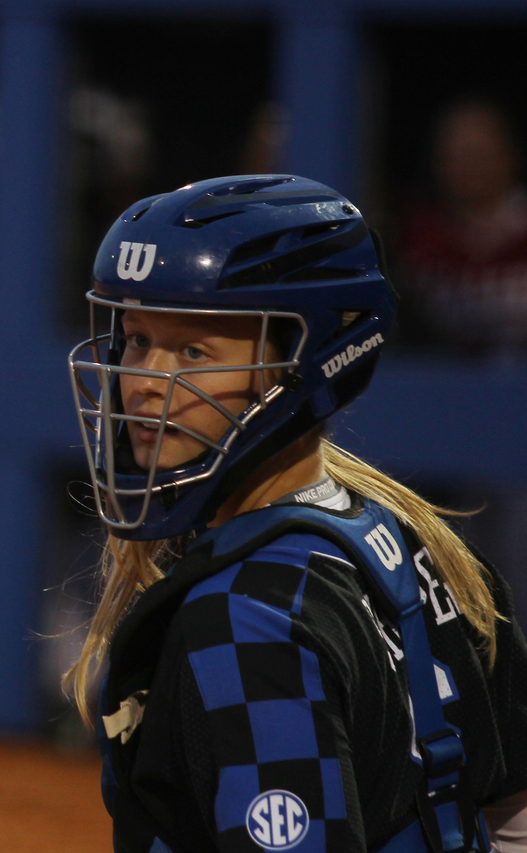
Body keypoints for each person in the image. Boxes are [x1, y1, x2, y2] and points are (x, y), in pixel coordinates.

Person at [64, 175, 527, 852]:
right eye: (136, 338)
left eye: (193, 351)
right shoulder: (419, 542)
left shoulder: (245, 617)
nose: (141, 382)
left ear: (300, 368)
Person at [396, 100, 527, 357]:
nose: (472, 166)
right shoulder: (418, 242)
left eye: (481, 152)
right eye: (459, 154)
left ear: (510, 154)